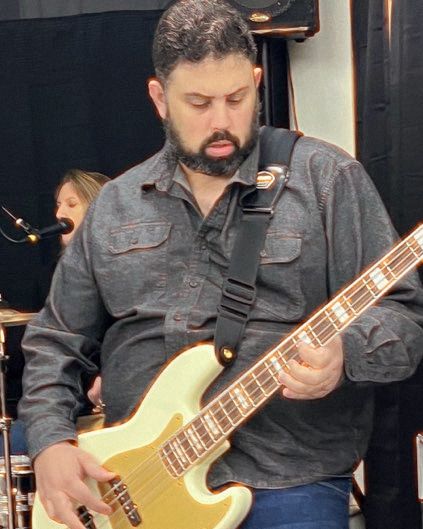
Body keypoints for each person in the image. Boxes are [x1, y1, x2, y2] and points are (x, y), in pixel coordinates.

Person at [19, 2, 423, 529]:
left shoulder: (327, 180)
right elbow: (55, 340)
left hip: (288, 477)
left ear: (256, 82)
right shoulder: (116, 204)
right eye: (199, 103)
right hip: (133, 487)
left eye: (236, 99)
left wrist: (344, 354)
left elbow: (403, 315)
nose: (221, 122)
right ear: (159, 99)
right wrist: (50, 443)